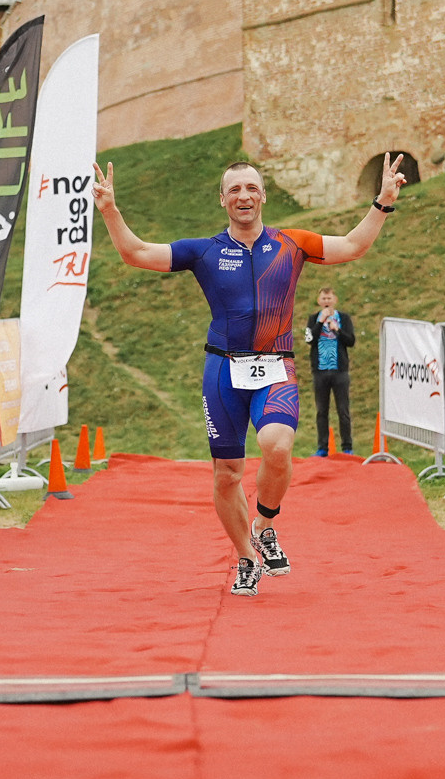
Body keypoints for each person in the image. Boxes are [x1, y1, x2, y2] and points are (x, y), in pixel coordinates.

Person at [95, 155, 407, 595]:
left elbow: (353, 246)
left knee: (276, 447)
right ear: (223, 199)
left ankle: (264, 523)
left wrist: (382, 202)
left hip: (275, 365)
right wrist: (110, 209)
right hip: (222, 369)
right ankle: (245, 556)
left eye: (252, 188)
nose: (244, 196)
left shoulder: (292, 243)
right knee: (226, 472)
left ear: (263, 196)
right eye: (235, 190)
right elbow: (136, 252)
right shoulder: (204, 251)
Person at [305, 287, 356, 456]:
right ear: (319, 301)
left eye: (329, 298)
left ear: (335, 299)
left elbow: (351, 341)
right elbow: (309, 339)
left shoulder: (343, 318)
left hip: (339, 370)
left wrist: (337, 330)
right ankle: (322, 448)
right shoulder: (313, 319)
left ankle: (347, 447)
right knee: (322, 411)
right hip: (320, 371)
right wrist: (320, 322)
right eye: (324, 298)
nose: (327, 301)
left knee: (343, 410)